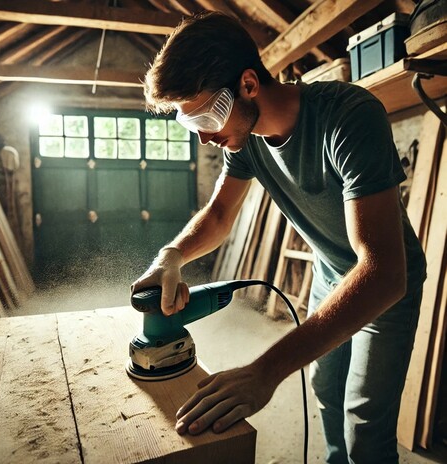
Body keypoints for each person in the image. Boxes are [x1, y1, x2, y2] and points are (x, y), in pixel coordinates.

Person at [131, 11, 426, 464]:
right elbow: (219, 214)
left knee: (365, 426)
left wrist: (264, 371)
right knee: (328, 393)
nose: (205, 136)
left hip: (385, 285)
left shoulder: (349, 116)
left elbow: (384, 272)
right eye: (191, 126)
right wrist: (172, 254)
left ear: (249, 84)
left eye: (208, 115)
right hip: (332, 274)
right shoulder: (243, 140)